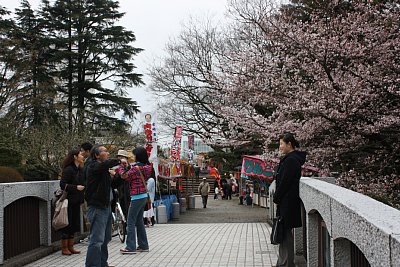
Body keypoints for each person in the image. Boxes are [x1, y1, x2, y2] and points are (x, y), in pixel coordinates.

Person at [273, 133, 306, 267]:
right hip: (287, 201)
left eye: (281, 144)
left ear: (289, 144)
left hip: (287, 202)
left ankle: (286, 264)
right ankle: (283, 262)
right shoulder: (291, 159)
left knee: (285, 234)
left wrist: (277, 197)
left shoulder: (291, 160)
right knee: (284, 233)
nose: (280, 147)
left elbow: (285, 181)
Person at [85, 145, 119, 267]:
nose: (107, 153)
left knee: (106, 238)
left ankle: (102, 263)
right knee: (97, 240)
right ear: (96, 155)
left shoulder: (103, 169)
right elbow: (105, 165)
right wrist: (119, 160)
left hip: (107, 206)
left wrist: (118, 176)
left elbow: (113, 184)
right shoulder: (93, 166)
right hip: (97, 207)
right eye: (104, 151)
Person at [120, 147, 152, 254]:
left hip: (136, 197)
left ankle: (130, 247)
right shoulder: (148, 167)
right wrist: (128, 166)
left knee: (130, 221)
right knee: (139, 221)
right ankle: (143, 245)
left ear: (138, 156)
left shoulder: (135, 168)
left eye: (134, 155)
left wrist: (121, 167)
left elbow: (124, 176)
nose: (133, 157)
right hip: (143, 196)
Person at [59, 149, 85, 255]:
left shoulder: (79, 169)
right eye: (80, 154)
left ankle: (71, 246)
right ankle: (64, 248)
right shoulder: (69, 169)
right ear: (75, 157)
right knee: (67, 224)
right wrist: (76, 187)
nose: (82, 156)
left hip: (77, 200)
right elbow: (62, 184)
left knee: (74, 224)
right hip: (68, 201)